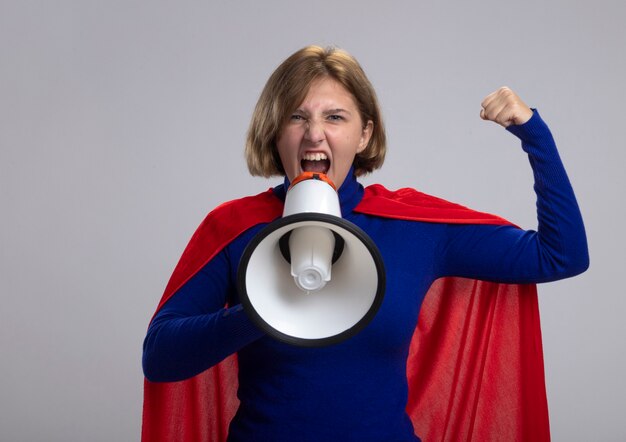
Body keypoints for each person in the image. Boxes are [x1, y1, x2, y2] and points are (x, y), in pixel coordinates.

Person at [142, 45, 589, 441]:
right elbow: (160, 357)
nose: (315, 134)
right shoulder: (234, 226)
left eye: (335, 117)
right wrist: (260, 311)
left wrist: (535, 135)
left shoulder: (415, 226)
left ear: (364, 135)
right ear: (275, 131)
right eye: (297, 116)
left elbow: (560, 255)